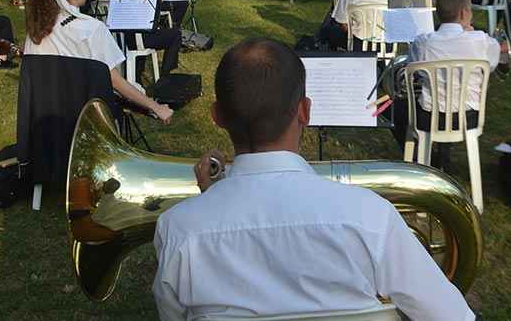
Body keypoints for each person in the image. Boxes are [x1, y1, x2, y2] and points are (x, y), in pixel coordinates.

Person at [153, 38, 474, 320]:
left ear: (217, 116)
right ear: (305, 111)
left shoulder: (178, 229)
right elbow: (451, 315)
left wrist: (209, 202)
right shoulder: (371, 216)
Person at [24, 0, 173, 122]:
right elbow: (115, 81)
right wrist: (156, 107)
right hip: (86, 118)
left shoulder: (36, 31)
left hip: (44, 118)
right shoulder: (92, 29)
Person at [392, 0, 504, 167]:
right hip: (468, 118)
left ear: (437, 13)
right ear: (464, 12)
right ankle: (443, 157)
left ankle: (422, 160)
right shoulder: (484, 42)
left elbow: (416, 71)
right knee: (455, 93)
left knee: (397, 107)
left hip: (428, 117)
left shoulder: (422, 43)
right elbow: (492, 65)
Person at [111, 0, 183, 76]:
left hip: (119, 39)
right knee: (175, 34)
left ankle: (136, 73)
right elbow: (152, 15)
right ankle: (166, 74)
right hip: (139, 39)